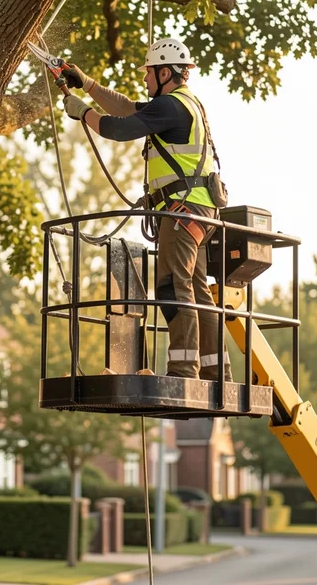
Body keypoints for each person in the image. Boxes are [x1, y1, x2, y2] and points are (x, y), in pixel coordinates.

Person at [61, 38, 231, 381]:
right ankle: (217, 373)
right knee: (199, 293)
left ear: (165, 72)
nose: (144, 79)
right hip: (200, 212)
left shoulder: (170, 106)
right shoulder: (184, 104)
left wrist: (82, 112)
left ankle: (183, 371)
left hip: (182, 213)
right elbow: (127, 108)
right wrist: (88, 84)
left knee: (172, 286)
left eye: (149, 73)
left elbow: (118, 127)